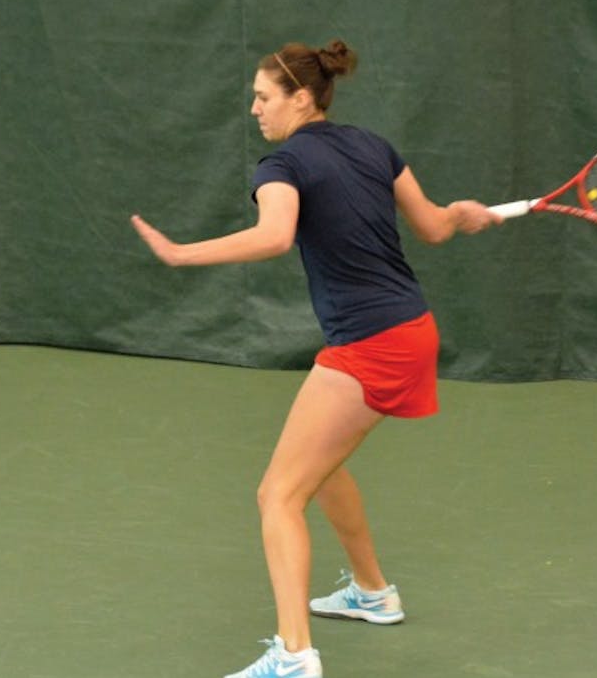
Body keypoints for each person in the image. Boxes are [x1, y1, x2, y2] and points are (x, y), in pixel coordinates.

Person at [130, 40, 501, 678]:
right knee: (320, 469)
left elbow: (275, 235)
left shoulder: (282, 164)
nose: (254, 109)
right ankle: (373, 593)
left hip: (372, 341)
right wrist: (461, 215)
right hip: (410, 328)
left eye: (263, 96)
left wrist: (181, 254)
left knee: (277, 495)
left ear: (301, 97)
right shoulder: (374, 146)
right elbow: (435, 227)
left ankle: (294, 657)